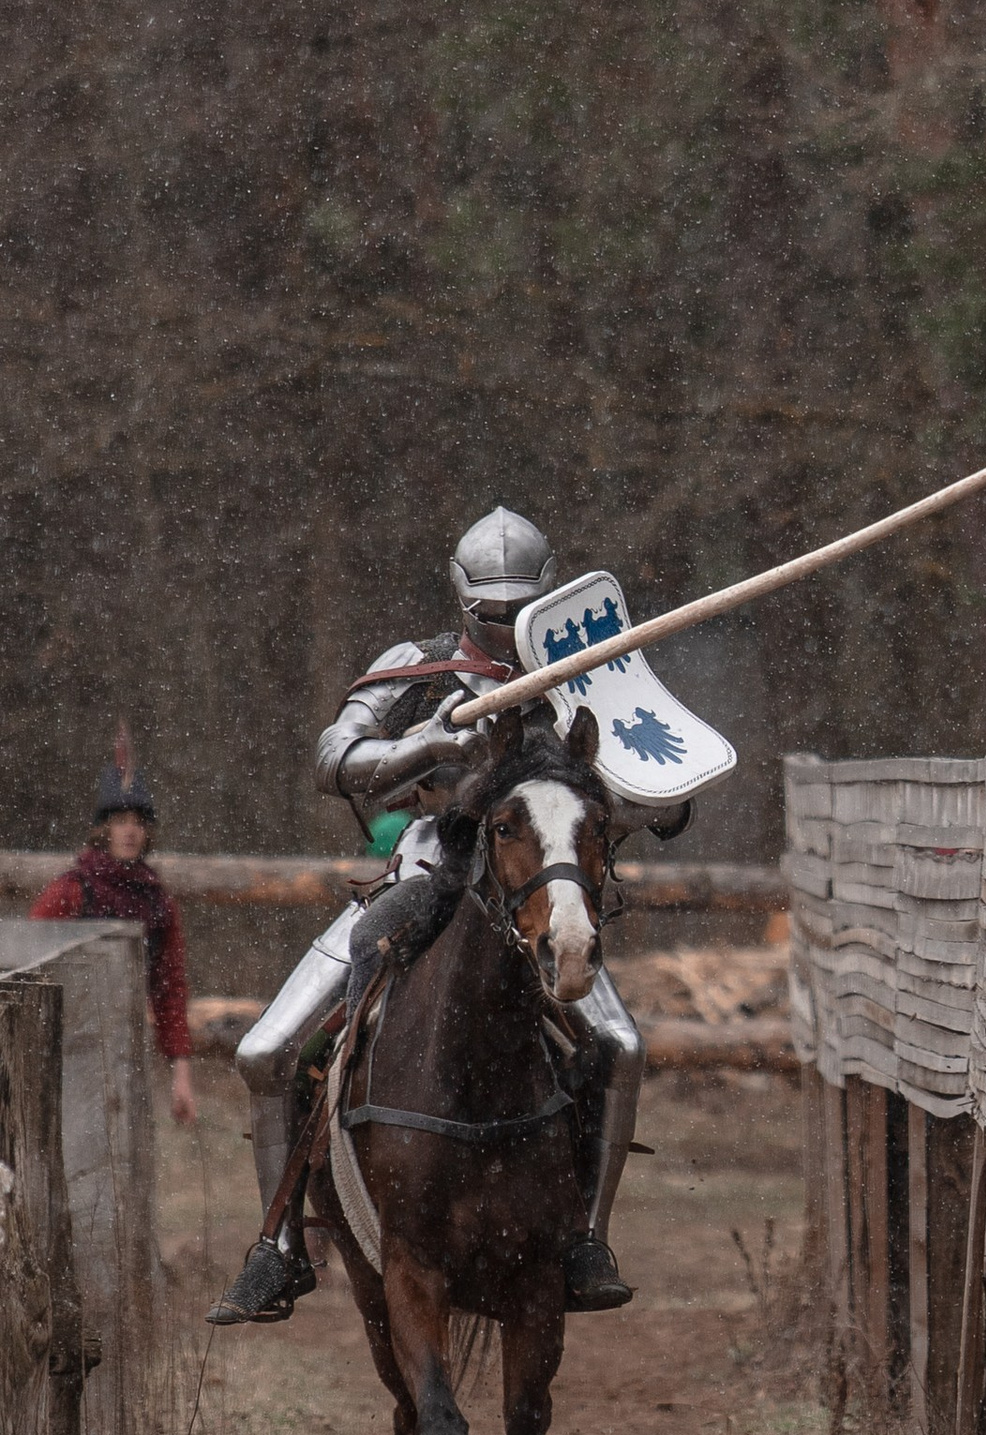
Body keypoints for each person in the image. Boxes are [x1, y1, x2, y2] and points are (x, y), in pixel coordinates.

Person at [207, 507, 692, 1326]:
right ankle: (280, 1246)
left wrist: (642, 798)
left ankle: (586, 1239)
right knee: (266, 1050)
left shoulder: (592, 670)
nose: (502, 625)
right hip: (431, 869)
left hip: (538, 887)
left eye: (518, 606)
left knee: (622, 1046)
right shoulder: (419, 667)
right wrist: (426, 745)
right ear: (464, 596)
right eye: (490, 609)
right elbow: (336, 758)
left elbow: (660, 784)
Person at [32, 733, 197, 1125]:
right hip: (65, 1050)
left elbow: (169, 988)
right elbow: (29, 969)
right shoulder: (72, 891)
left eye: (138, 823)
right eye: (121, 821)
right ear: (104, 828)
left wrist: (182, 1073)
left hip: (126, 1053)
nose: (129, 831)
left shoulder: (157, 904)